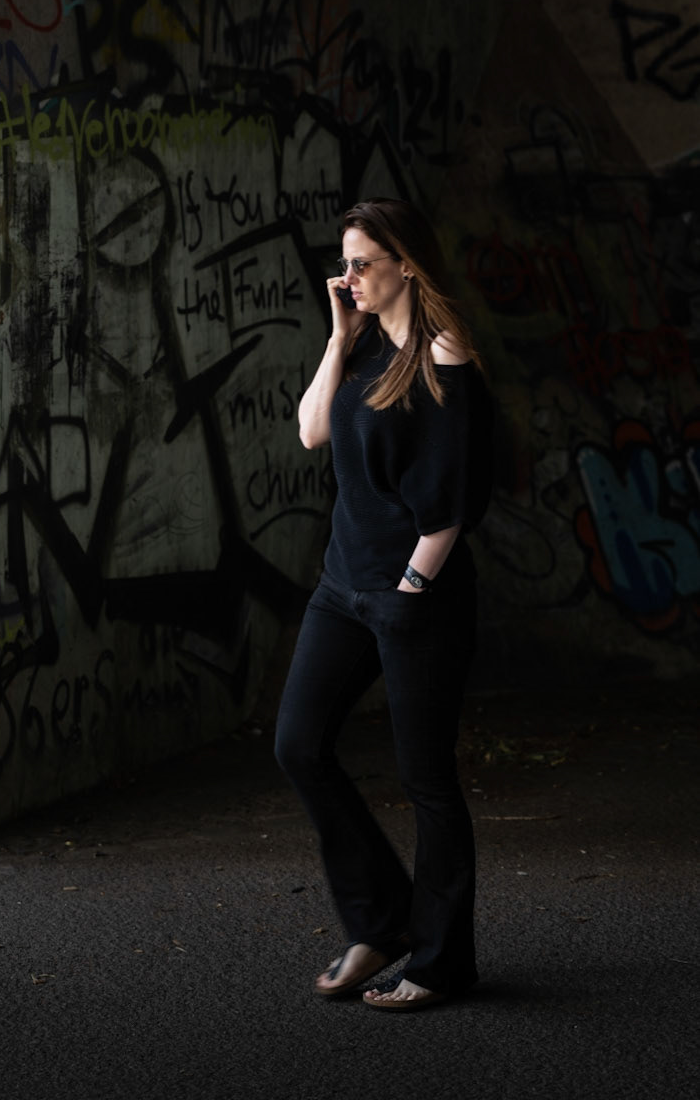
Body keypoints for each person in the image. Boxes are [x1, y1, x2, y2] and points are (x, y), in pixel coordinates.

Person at [274, 197, 492, 1009]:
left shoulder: (443, 352)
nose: (347, 275)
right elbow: (308, 432)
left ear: (406, 262)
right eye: (345, 260)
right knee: (298, 745)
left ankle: (439, 962)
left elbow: (455, 499)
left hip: (415, 594)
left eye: (363, 261)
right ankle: (380, 921)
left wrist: (410, 587)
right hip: (343, 587)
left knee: (427, 781)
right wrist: (335, 337)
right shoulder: (359, 342)